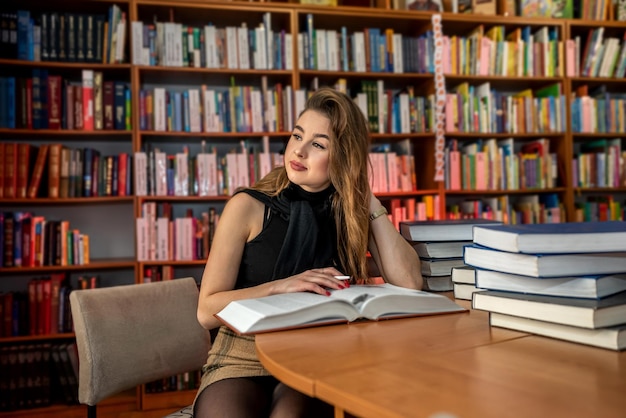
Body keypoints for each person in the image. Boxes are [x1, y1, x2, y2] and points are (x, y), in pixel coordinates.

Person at [194, 87, 423, 418]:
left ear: (343, 158)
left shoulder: (350, 215)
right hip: (242, 354)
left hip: (317, 355)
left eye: (318, 144)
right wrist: (281, 286)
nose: (298, 151)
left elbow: (409, 283)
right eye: (296, 136)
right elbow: (205, 310)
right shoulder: (247, 206)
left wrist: (367, 200)